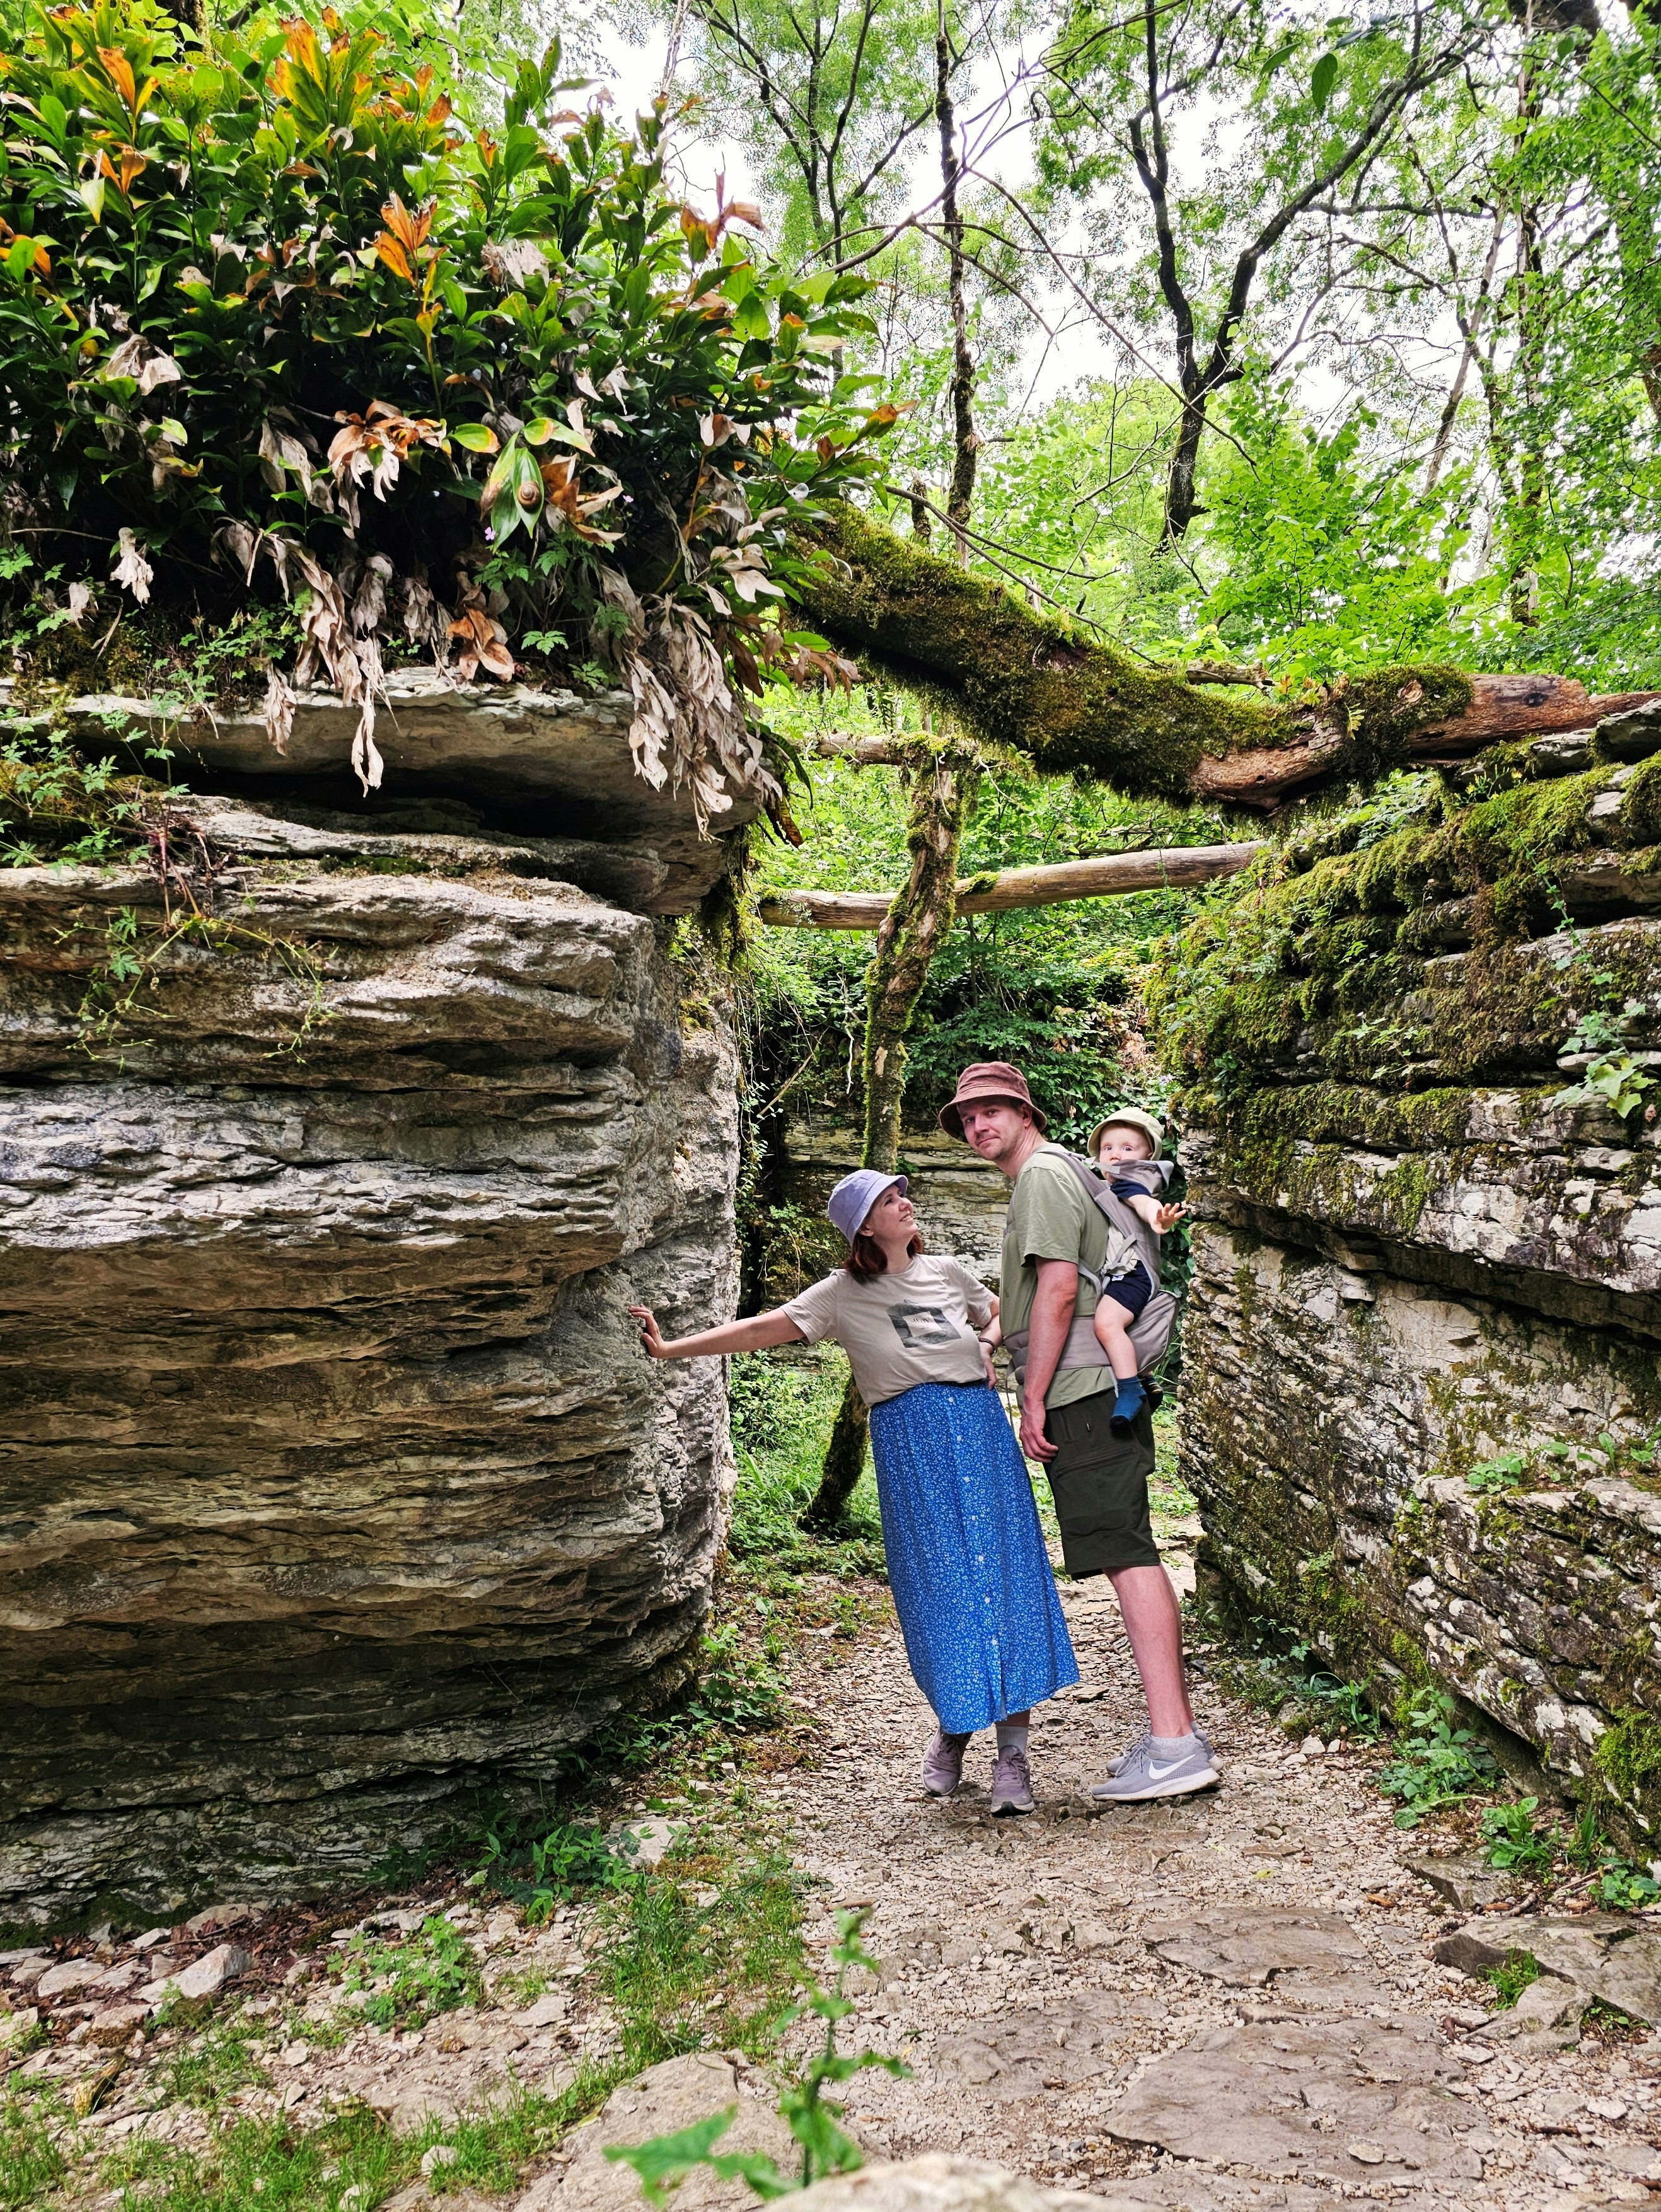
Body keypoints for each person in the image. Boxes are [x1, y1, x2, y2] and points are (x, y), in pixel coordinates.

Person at [628, 1171, 1078, 1817]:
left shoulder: (947, 1272)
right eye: (892, 1200)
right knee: (941, 1590)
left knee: (1005, 1578)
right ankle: (954, 1727)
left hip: (979, 1430)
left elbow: (1002, 1309)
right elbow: (762, 1328)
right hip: (909, 1442)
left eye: (904, 1194)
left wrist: (984, 1342)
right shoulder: (841, 1293)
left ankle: (1012, 1753)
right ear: (866, 1225)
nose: (907, 1202)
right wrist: (672, 1348)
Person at [939, 1062, 1218, 1804]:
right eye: (967, 1118)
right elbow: (1040, 1293)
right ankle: (1172, 1736)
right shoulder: (1059, 1174)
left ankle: (1174, 1742)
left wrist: (1030, 1399)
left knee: (1126, 1552)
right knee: (1128, 1546)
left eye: (992, 1110)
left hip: (1084, 1388)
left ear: (1023, 1111)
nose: (978, 1126)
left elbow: (1060, 1286)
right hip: (1094, 1385)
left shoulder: (1043, 1176)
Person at [1085, 1109, 1186, 1438]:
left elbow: (1144, 1203)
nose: (1115, 1154)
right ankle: (1145, 1379)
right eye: (1108, 1147)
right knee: (1118, 1332)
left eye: (1128, 1148)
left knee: (1107, 1323)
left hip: (1132, 1274)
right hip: (1121, 1274)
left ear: (1147, 1157)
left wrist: (1159, 1218)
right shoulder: (1106, 1187)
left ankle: (1130, 1389)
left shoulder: (1131, 1185)